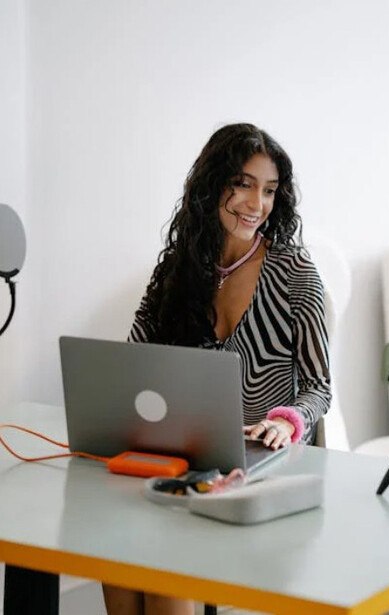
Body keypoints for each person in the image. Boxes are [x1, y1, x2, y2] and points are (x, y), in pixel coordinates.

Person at [102, 122, 331, 615]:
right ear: (213, 185)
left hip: (264, 465)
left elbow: (318, 388)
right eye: (243, 183)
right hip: (195, 459)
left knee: (165, 573)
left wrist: (285, 420)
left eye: (269, 190)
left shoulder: (295, 272)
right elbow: (131, 362)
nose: (257, 203)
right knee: (115, 559)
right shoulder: (179, 271)